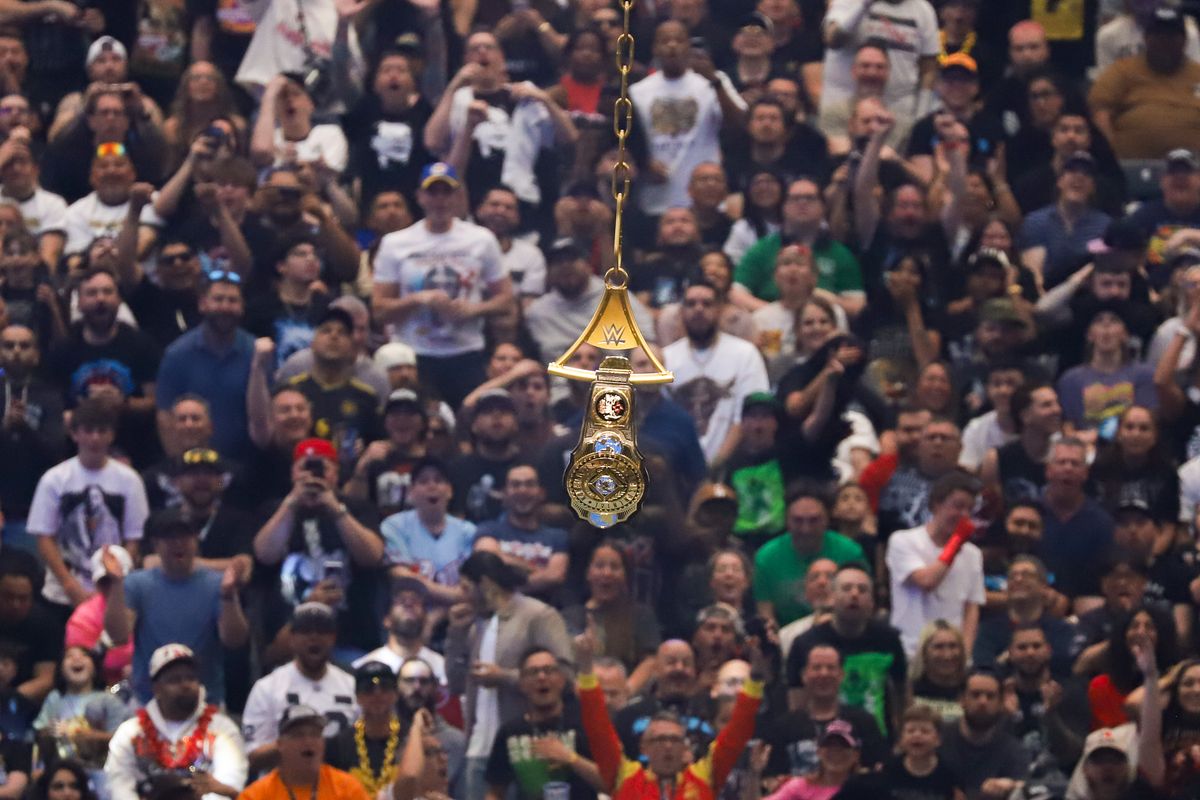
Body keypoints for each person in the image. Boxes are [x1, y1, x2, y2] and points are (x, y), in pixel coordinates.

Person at [371, 162, 512, 407]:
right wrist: (419, 299)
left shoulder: (481, 239)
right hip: (415, 353)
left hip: (467, 353)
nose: (440, 200)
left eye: (446, 192)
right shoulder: (396, 244)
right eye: (432, 192)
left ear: (458, 196)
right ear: (419, 197)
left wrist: (473, 309)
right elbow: (380, 309)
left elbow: (506, 299)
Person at [446, 551, 572, 799]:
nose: (462, 596)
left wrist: (503, 677)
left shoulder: (539, 616)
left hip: (525, 747)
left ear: (484, 585)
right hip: (479, 746)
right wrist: (455, 635)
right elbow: (455, 683)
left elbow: (565, 674)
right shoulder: (477, 627)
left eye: (466, 588)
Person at [100, 508, 249, 706]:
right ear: (156, 544)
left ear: (196, 541)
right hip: (149, 702)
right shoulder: (137, 584)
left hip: (205, 702)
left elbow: (234, 640)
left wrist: (229, 596)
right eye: (170, 538)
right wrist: (117, 584)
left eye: (185, 536)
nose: (178, 544)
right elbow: (118, 636)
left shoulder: (217, 585)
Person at [253, 437, 385, 656]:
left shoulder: (358, 509)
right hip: (290, 640)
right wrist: (292, 502)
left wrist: (335, 508)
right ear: (293, 473)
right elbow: (265, 554)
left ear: (335, 472)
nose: (313, 475)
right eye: (306, 467)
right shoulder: (274, 511)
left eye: (321, 467)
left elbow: (372, 556)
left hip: (351, 639)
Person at [29, 398, 147, 617]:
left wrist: (114, 581)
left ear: (111, 435)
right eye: (88, 430)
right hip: (61, 594)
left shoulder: (130, 480)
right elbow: (44, 537)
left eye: (102, 431)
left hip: (113, 592)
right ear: (74, 434)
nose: (95, 438)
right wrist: (69, 585)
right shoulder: (54, 479)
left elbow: (133, 539)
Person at [629, 20, 746, 216]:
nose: (672, 45)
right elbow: (629, 142)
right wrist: (643, 165)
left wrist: (714, 83)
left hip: (704, 199)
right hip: (656, 199)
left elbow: (739, 124)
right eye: (665, 41)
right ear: (654, 48)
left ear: (689, 46)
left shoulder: (713, 81)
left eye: (679, 40)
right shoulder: (637, 91)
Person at [104, 643, 247, 800]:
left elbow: (230, 781)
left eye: (191, 678)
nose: (185, 685)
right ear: (157, 688)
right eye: (175, 680)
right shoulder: (130, 732)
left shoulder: (222, 728)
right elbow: (118, 784)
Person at [788, 564, 907, 736]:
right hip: (824, 741)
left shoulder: (889, 640)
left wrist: (901, 735)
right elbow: (796, 704)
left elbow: (902, 693)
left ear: (872, 601)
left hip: (877, 738)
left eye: (862, 589)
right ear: (832, 597)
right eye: (846, 588)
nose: (854, 594)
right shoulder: (806, 643)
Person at [664, 278, 770, 467]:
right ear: (681, 312)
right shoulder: (665, 359)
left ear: (720, 309)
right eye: (691, 304)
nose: (698, 309)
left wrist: (717, 465)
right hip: (677, 467)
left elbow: (747, 416)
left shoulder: (745, 354)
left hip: (732, 466)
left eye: (707, 303)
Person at [241, 603, 359, 770]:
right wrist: (297, 741)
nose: (314, 637)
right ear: (292, 638)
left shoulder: (352, 686)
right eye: (306, 631)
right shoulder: (267, 688)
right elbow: (253, 757)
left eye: (322, 631)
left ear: (333, 638)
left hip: (340, 787)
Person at [154, 272, 253, 460]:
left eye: (232, 300)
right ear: (202, 304)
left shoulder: (255, 353)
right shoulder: (177, 354)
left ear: (242, 307)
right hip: (193, 467)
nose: (225, 307)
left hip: (245, 466)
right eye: (218, 299)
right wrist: (180, 466)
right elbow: (165, 416)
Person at [887, 473, 986, 655]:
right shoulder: (903, 541)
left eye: (969, 510)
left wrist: (966, 651)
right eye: (957, 506)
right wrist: (956, 543)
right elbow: (927, 581)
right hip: (911, 648)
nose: (963, 515)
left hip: (951, 652)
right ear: (936, 505)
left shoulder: (973, 554)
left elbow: (971, 607)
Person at [483, 648, 600, 800]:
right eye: (533, 672)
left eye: (549, 670)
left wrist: (571, 758)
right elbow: (496, 791)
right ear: (522, 684)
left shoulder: (585, 723)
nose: (541, 677)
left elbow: (611, 783)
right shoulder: (510, 732)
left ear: (562, 680)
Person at [763, 643, 887, 782]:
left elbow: (877, 770)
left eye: (830, 668)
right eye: (816, 668)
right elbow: (773, 778)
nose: (824, 673)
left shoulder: (864, 722)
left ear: (841, 675)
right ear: (804, 675)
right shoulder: (784, 727)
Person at [1089, 7, 1200, 160]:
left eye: (1172, 37)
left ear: (1184, 41)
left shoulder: (1198, 74)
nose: (1164, 42)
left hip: (1193, 169)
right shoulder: (1122, 71)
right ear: (1146, 38)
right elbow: (1100, 110)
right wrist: (1110, 155)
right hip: (1131, 167)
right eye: (1158, 36)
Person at [754, 488, 866, 628]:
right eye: (798, 521)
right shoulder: (767, 557)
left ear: (826, 519)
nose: (805, 529)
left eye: (813, 520)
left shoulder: (850, 552)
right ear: (787, 521)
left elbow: (864, 605)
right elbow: (766, 616)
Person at [561, 541, 662, 695]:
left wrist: (626, 690)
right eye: (600, 566)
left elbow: (650, 661)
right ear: (588, 573)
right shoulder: (570, 616)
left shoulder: (640, 614)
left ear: (625, 576)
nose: (607, 573)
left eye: (614, 567)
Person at [380, 456, 475, 607]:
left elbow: (471, 585)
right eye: (423, 481)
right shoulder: (394, 526)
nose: (432, 486)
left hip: (457, 616)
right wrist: (451, 596)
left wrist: (439, 615)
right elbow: (400, 574)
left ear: (450, 491)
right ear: (411, 492)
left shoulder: (467, 531)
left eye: (438, 481)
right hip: (412, 614)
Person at [473, 464, 569, 601]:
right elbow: (488, 562)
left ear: (541, 493)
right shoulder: (488, 529)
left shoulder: (557, 536)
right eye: (515, 485)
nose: (523, 490)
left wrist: (505, 587)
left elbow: (555, 576)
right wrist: (539, 571)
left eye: (529, 484)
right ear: (504, 493)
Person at [237, 705, 371, 800]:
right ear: (280, 745)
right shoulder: (255, 796)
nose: (308, 741)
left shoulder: (347, 789)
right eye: (298, 735)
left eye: (315, 734)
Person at [937, 670, 1030, 800]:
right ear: (961, 699)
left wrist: (1011, 786)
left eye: (990, 696)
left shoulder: (1013, 750)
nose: (983, 702)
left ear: (1000, 703)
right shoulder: (937, 739)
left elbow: (1027, 787)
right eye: (975, 695)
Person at [323, 662, 404, 797]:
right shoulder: (337, 746)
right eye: (368, 688)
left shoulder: (411, 739)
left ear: (396, 694)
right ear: (357, 697)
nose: (377, 694)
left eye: (385, 687)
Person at [353, 584, 446, 683]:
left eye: (415, 601)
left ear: (426, 618)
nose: (409, 604)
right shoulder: (364, 668)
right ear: (386, 619)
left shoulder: (442, 667)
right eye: (401, 601)